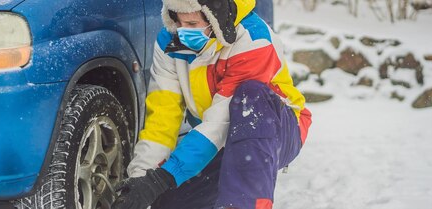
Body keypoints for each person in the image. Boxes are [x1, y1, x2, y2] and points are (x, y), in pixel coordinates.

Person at [112, 0, 312, 208]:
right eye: (178, 22)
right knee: (169, 201)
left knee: (250, 96)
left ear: (216, 16)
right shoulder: (170, 43)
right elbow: (162, 120)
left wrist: (164, 177)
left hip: (276, 128)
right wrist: (142, 179)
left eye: (191, 24)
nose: (182, 32)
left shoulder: (253, 39)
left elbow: (220, 122)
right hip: (217, 138)